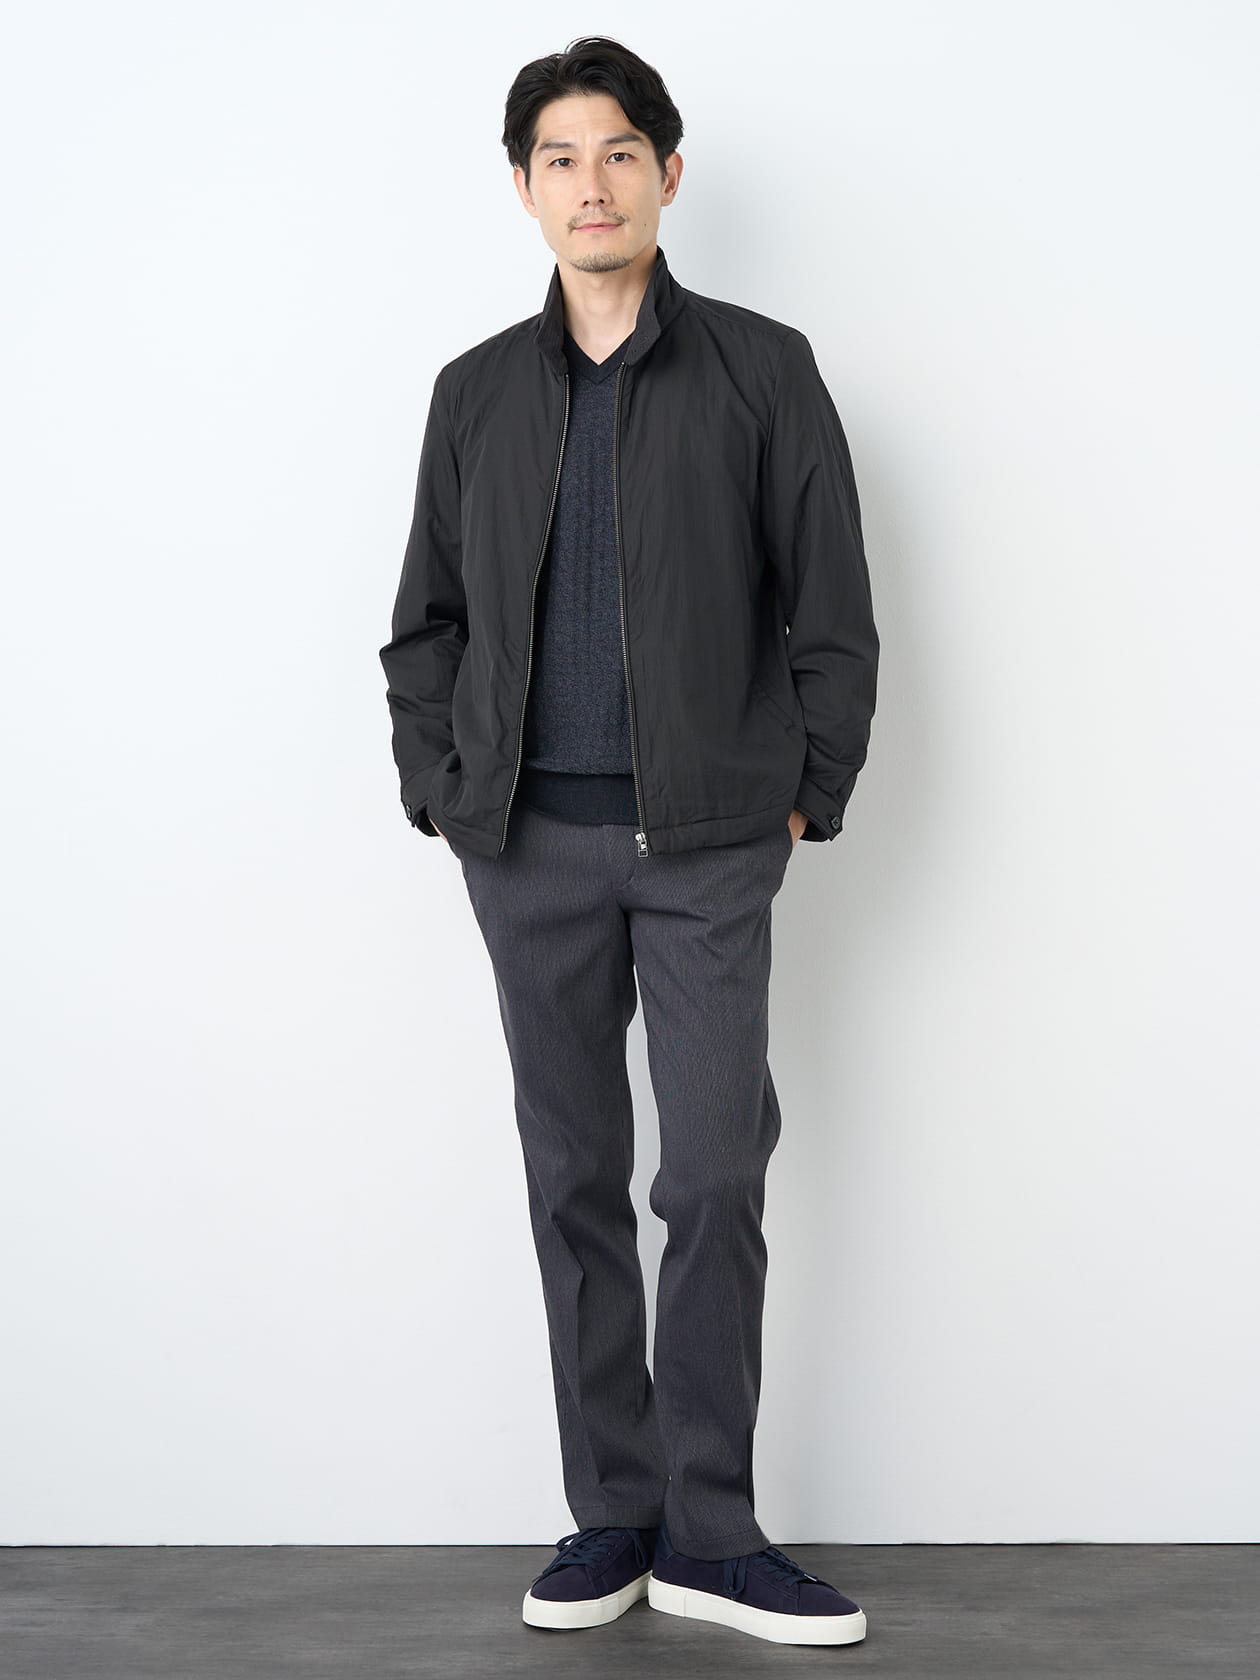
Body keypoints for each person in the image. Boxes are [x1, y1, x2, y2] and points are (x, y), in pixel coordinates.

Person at [379, 35, 878, 1649]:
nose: (589, 185)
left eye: (617, 154)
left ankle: (713, 1536)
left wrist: (806, 789)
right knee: (574, 1178)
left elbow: (833, 610)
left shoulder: (763, 371)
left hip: (713, 845)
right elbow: (424, 626)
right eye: (558, 158)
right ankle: (614, 1513)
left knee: (713, 1176)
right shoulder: (475, 393)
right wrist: (447, 793)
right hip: (526, 848)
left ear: (666, 173)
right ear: (523, 188)